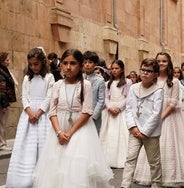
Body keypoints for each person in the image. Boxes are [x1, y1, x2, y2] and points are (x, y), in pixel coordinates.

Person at [33, 49, 113, 188]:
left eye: (73, 63)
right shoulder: (57, 85)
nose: (68, 67)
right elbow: (52, 112)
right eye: (65, 63)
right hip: (59, 128)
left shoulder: (85, 85)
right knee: (57, 164)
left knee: (77, 165)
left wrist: (70, 133)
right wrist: (59, 133)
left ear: (81, 65)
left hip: (80, 127)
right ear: (61, 65)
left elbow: (87, 111)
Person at [133, 52, 184, 187]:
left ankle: (172, 176)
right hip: (154, 116)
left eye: (164, 61)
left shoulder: (175, 81)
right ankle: (153, 175)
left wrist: (160, 117)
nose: (161, 64)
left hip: (170, 117)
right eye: (158, 61)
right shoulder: (152, 80)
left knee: (171, 146)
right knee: (152, 147)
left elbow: (172, 103)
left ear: (169, 63)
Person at [6, 47, 55, 187]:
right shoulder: (27, 78)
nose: (33, 67)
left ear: (43, 63)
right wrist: (29, 112)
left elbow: (49, 97)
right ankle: (24, 178)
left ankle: (43, 177)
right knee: (26, 145)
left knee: (43, 145)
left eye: (36, 64)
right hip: (28, 117)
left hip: (43, 116)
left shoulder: (49, 77)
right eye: (31, 64)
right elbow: (24, 96)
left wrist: (39, 113)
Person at [121, 58, 163, 188]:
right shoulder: (133, 88)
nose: (145, 73)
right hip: (135, 130)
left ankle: (156, 184)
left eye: (149, 71)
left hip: (150, 133)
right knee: (130, 158)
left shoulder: (158, 91)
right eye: (143, 70)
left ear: (155, 75)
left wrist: (145, 132)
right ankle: (125, 184)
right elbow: (128, 109)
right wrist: (133, 127)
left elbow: (156, 114)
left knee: (154, 161)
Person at [99, 59, 132, 168]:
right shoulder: (108, 83)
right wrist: (109, 107)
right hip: (110, 111)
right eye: (112, 68)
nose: (114, 70)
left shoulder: (127, 82)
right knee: (109, 133)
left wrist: (119, 108)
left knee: (122, 134)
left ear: (122, 70)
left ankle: (122, 158)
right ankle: (108, 158)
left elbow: (128, 97)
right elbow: (106, 98)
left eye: (116, 68)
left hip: (121, 111)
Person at [83, 51, 105, 134]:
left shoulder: (100, 80)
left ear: (95, 64)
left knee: (93, 136)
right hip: (80, 113)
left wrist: (94, 116)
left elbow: (101, 100)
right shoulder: (80, 78)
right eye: (85, 62)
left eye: (90, 62)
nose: (87, 64)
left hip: (93, 115)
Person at [0, 51, 17, 151]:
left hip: (3, 102)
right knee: (2, 123)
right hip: (2, 103)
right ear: (2, 61)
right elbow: (2, 91)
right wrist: (5, 105)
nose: (9, 62)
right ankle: (2, 144)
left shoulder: (4, 70)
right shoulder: (2, 73)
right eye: (7, 60)